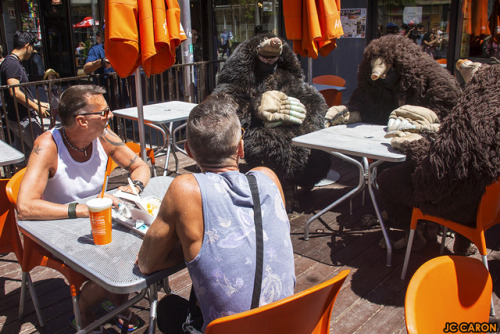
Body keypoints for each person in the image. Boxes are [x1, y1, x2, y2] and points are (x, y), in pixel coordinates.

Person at [137, 95, 296, 332]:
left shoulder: (185, 189)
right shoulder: (268, 178)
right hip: (291, 323)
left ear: (189, 151)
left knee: (168, 308)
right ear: (240, 147)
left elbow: (146, 264)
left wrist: (192, 249)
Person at [16, 84, 150, 331]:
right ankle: (86, 310)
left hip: (98, 222)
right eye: (104, 112)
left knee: (146, 245)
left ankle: (116, 300)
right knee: (122, 257)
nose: (110, 115)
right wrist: (82, 209)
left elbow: (141, 167)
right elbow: (24, 207)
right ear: (82, 121)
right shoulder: (48, 146)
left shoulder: (104, 136)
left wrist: (135, 188)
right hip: (57, 232)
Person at [0, 30, 49, 151]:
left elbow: (19, 91)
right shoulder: (12, 64)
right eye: (32, 47)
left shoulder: (10, 62)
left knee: (27, 156)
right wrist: (36, 107)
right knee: (43, 149)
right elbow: (15, 92)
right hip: (22, 118)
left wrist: (36, 101)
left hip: (17, 117)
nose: (33, 51)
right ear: (27, 45)